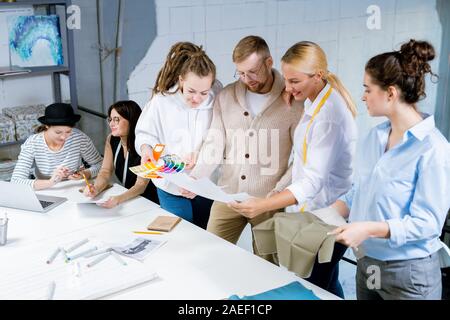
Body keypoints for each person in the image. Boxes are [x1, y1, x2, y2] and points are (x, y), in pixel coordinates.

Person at [229, 41, 358, 298]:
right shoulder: (317, 98)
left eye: (294, 81)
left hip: (328, 216)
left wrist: (264, 205)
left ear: (318, 75)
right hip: (316, 214)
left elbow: (312, 181)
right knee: (325, 283)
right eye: (286, 80)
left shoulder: (329, 116)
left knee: (316, 286)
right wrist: (298, 93)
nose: (287, 87)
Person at [328, 39, 450, 300]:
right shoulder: (375, 137)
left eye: (367, 89)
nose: (362, 96)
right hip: (368, 264)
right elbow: (361, 191)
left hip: (410, 275)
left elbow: (428, 223)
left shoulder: (433, 149)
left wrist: (367, 229)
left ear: (391, 93)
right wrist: (325, 214)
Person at [189, 36, 303, 256]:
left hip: (268, 202)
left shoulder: (293, 102)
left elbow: (301, 158)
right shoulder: (226, 96)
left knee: (267, 265)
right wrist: (196, 178)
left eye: (252, 71)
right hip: (227, 196)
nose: (246, 78)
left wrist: (277, 193)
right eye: (240, 73)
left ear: (269, 63)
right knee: (210, 254)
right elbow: (214, 141)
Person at [135, 41, 221, 229]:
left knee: (206, 236)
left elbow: (219, 139)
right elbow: (145, 133)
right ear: (181, 80)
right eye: (191, 91)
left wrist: (199, 166)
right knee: (181, 235)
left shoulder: (217, 100)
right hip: (170, 185)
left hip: (204, 184)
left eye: (203, 92)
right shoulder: (162, 102)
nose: (197, 98)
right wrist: (146, 148)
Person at [83, 100, 159, 208]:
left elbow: (141, 185)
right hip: (129, 199)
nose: (111, 124)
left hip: (151, 201)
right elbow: (105, 171)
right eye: (110, 119)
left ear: (131, 120)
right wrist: (96, 188)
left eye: (116, 120)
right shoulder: (112, 139)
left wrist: (119, 199)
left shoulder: (146, 145)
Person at [11, 103, 103, 190]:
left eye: (68, 132)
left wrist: (85, 174)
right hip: (45, 190)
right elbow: (16, 180)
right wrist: (51, 182)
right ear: (46, 126)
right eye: (58, 132)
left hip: (74, 188)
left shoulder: (79, 138)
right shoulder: (33, 143)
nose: (64, 137)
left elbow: (101, 165)